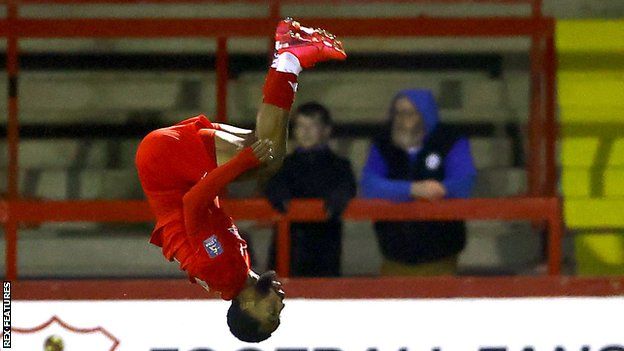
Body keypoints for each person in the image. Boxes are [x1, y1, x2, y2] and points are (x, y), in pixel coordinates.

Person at [135, 18, 346, 342]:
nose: (281, 304)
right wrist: (245, 162)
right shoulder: (237, 271)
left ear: (247, 304)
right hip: (171, 169)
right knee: (268, 145)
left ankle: (290, 55)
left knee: (269, 156)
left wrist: (242, 164)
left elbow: (193, 203)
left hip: (164, 164)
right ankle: (290, 56)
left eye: (271, 311)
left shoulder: (225, 273)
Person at [360, 89, 476, 276]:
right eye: (398, 113)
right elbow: (369, 185)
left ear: (425, 115)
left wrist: (441, 189)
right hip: (393, 255)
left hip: (440, 256)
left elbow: (464, 183)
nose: (403, 120)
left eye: (410, 113)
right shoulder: (383, 143)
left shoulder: (450, 140)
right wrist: (413, 189)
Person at [265, 102, 356, 277]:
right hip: (288, 248)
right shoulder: (282, 166)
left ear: (326, 130)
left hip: (324, 249)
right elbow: (273, 188)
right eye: (300, 125)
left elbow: (347, 188)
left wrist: (339, 197)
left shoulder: (340, 166)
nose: (305, 131)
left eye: (312, 125)